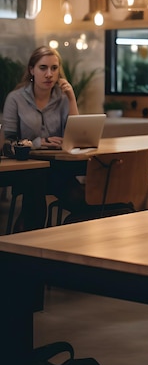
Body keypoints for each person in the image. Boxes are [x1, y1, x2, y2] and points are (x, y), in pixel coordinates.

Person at [2, 46, 87, 230]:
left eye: (54, 68)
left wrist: (71, 98)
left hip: (57, 167)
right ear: (32, 70)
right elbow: (7, 144)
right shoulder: (15, 99)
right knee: (36, 191)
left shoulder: (62, 99)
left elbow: (76, 134)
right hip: (25, 168)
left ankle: (59, 243)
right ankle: (25, 245)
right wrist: (38, 143)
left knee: (81, 199)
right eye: (43, 68)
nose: (49, 74)